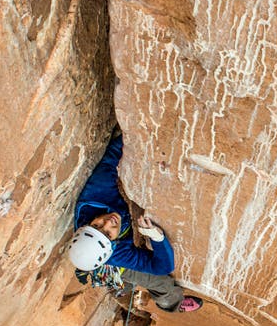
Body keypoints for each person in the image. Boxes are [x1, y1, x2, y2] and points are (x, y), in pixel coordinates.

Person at [68, 131, 202, 312]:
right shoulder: (116, 254)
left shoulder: (96, 195)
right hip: (112, 265)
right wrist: (156, 237)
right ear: (113, 244)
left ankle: (124, 288)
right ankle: (172, 304)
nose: (108, 222)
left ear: (87, 225)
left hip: (103, 259)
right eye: (108, 233)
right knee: (161, 283)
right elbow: (162, 266)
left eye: (97, 225)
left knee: (127, 280)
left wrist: (139, 132)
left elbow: (110, 158)